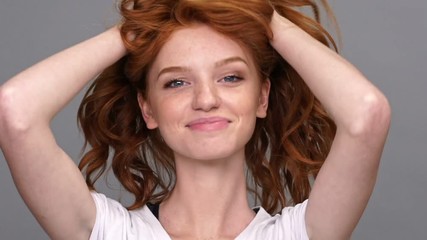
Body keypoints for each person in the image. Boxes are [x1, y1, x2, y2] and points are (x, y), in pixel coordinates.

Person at [0, 0, 391, 239]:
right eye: (177, 82)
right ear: (148, 109)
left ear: (262, 97)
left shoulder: (299, 234)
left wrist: (259, 14)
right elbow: (14, 110)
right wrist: (142, 27)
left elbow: (367, 114)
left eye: (231, 77)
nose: (205, 99)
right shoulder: (109, 232)